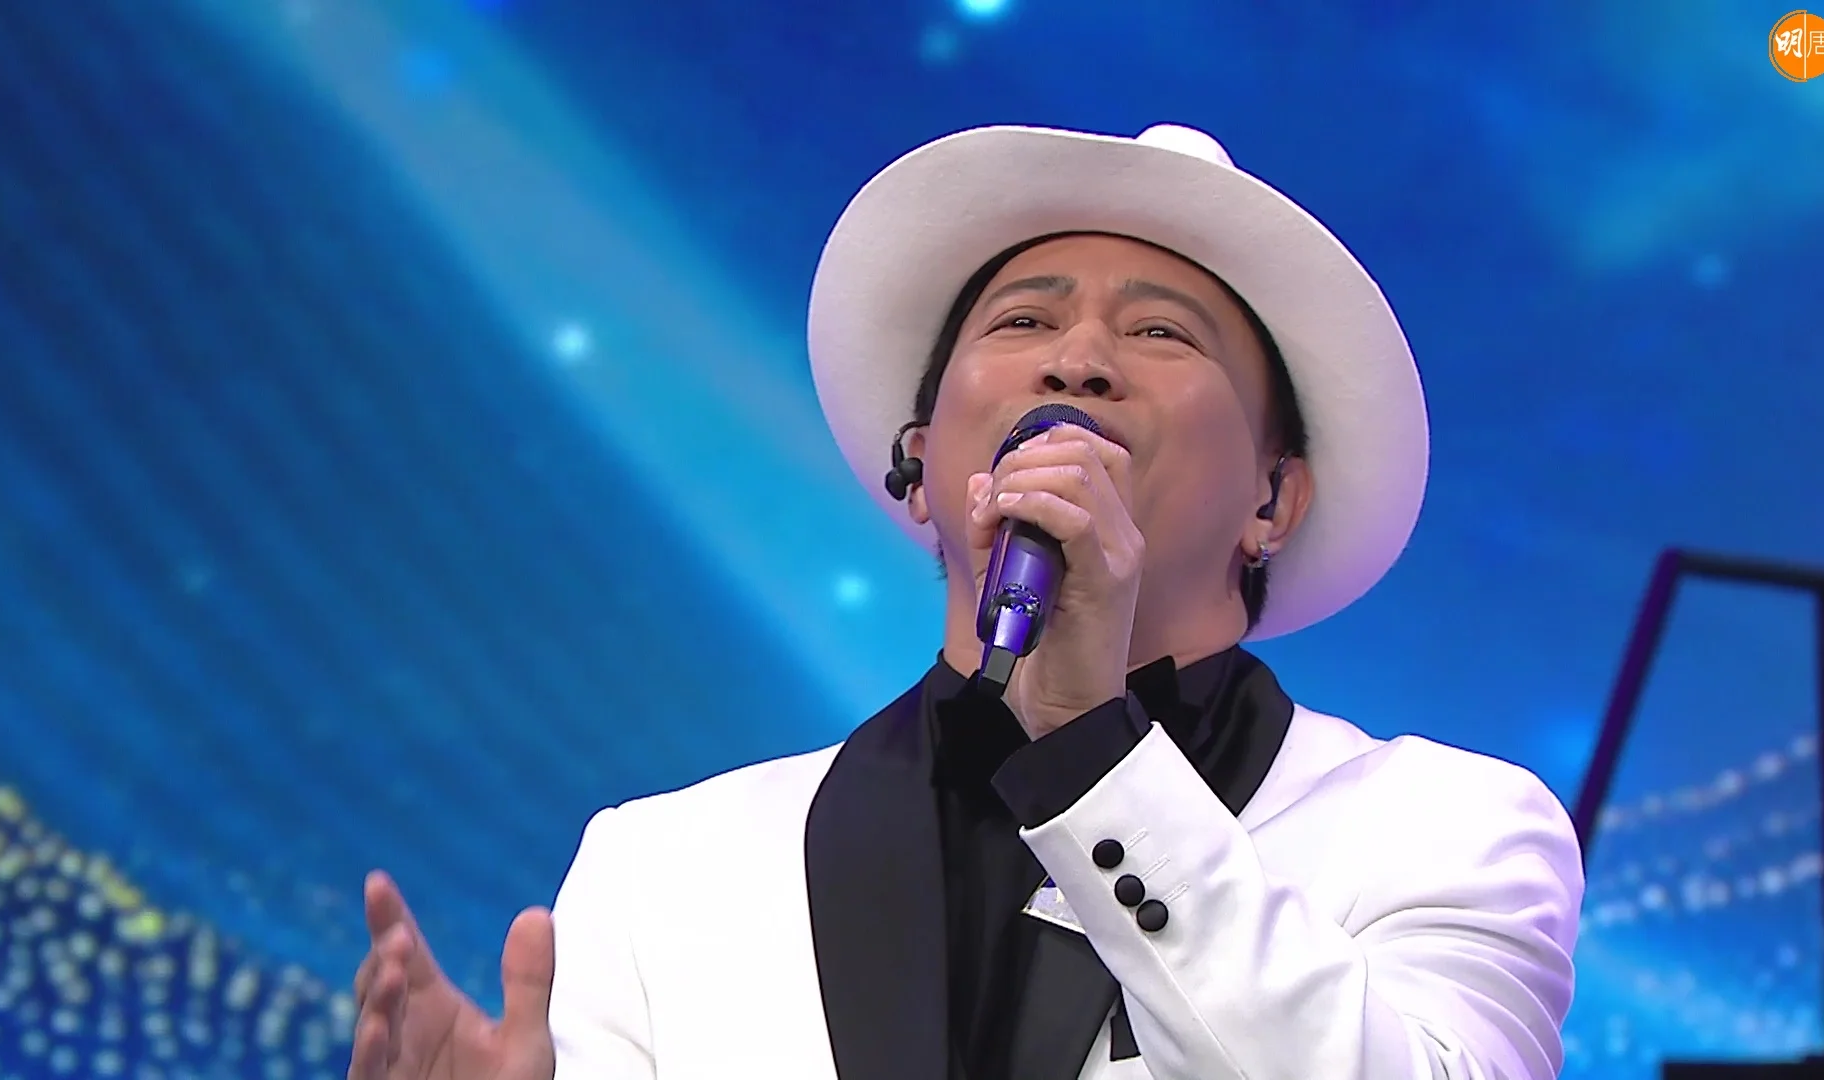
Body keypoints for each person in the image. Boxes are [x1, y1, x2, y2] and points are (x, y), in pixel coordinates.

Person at [347, 123, 1585, 1080]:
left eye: (1163, 333)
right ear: (919, 463)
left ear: (1274, 496)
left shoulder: (1444, 829)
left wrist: (1094, 752)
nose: (1078, 360)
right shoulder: (666, 866)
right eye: (1024, 319)